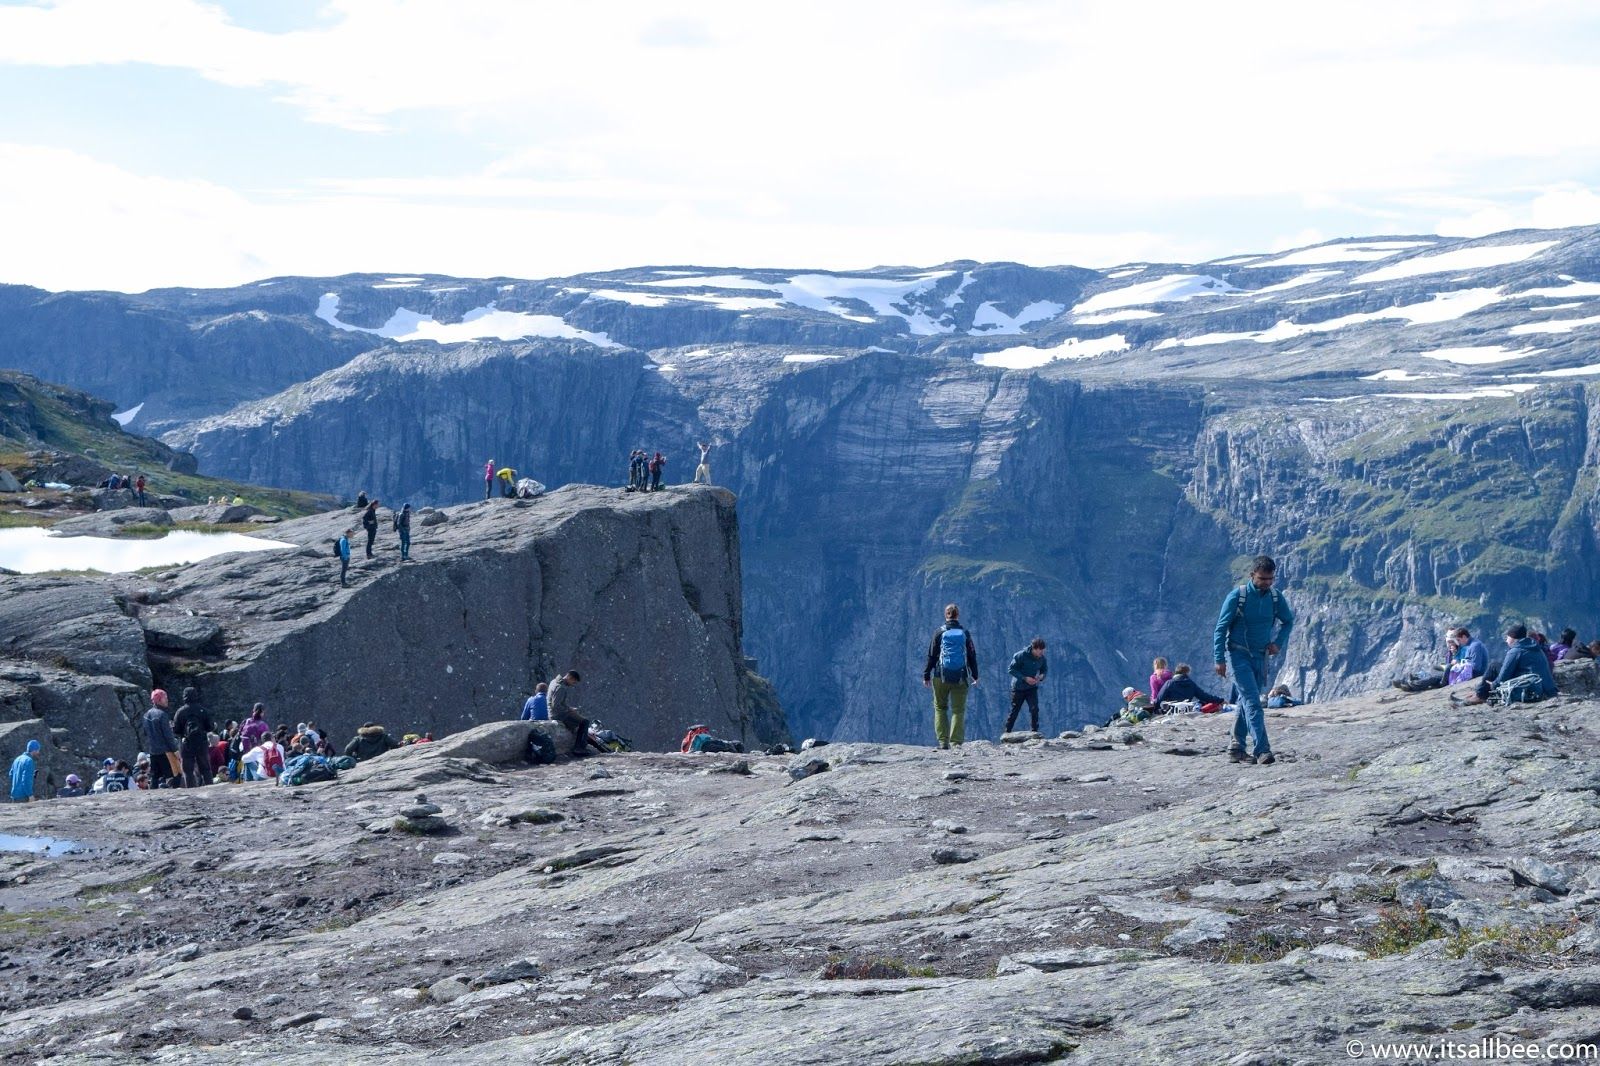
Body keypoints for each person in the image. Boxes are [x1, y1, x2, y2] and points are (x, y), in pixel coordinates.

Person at [1214, 555, 1295, 766]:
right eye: (1262, 579)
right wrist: (1219, 659)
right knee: (1252, 701)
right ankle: (1262, 750)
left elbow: (1288, 621)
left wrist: (1278, 642)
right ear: (1252, 576)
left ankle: (1236, 748)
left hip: (1261, 657)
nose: (1267, 583)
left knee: (1245, 702)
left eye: (1270, 579)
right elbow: (1221, 628)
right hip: (1237, 655)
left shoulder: (1275, 598)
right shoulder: (1237, 597)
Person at [922, 604, 979, 749]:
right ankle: (956, 742)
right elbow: (972, 655)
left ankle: (943, 742)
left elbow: (932, 656)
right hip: (961, 676)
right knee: (958, 710)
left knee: (940, 708)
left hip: (940, 676)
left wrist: (926, 674)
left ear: (946, 615)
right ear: (957, 615)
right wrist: (975, 675)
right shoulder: (965, 633)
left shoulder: (938, 632)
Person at [1461, 624, 1558, 705]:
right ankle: (1479, 693)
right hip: (1547, 689)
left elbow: (1504, 675)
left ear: (1513, 638)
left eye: (1507, 637)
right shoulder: (1536, 648)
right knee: (1497, 666)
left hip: (1531, 689)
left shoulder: (1516, 650)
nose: (1506, 640)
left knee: (1493, 666)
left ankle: (1480, 696)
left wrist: (1494, 685)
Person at [548, 671, 609, 756]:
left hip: (554, 712)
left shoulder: (554, 681)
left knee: (579, 721)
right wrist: (569, 710)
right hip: (558, 715)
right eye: (573, 682)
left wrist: (569, 708)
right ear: (570, 678)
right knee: (585, 722)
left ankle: (579, 746)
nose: (573, 684)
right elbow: (556, 706)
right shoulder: (560, 688)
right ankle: (579, 748)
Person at [171, 686, 215, 787]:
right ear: (196, 695)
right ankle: (210, 787)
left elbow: (176, 730)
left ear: (184, 696)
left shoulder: (180, 712)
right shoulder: (202, 710)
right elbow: (210, 727)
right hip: (202, 743)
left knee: (188, 770)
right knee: (206, 769)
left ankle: (191, 790)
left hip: (186, 744)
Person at [1004, 637, 1048, 733]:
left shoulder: (1042, 659)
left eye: (1043, 650)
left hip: (1031, 687)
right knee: (1015, 710)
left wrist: (1041, 676)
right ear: (1034, 648)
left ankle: (1034, 732)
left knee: (1034, 708)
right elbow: (1011, 669)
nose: (1042, 652)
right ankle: (1007, 732)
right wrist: (1025, 678)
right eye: (1040, 650)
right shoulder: (1021, 656)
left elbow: (1044, 669)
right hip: (1018, 687)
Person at [142, 689, 182, 788]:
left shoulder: (146, 715)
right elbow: (168, 735)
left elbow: (145, 733)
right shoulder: (162, 715)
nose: (167, 700)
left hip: (153, 751)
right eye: (165, 698)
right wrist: (175, 750)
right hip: (166, 752)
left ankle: (153, 797)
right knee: (176, 774)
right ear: (159, 700)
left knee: (155, 776)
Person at [1156, 663, 1224, 706]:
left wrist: (1156, 710)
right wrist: (1220, 700)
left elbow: (1160, 698)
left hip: (1171, 710)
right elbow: (1205, 696)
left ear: (1176, 672)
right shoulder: (1191, 684)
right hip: (1187, 710)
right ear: (1187, 673)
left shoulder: (1169, 683)